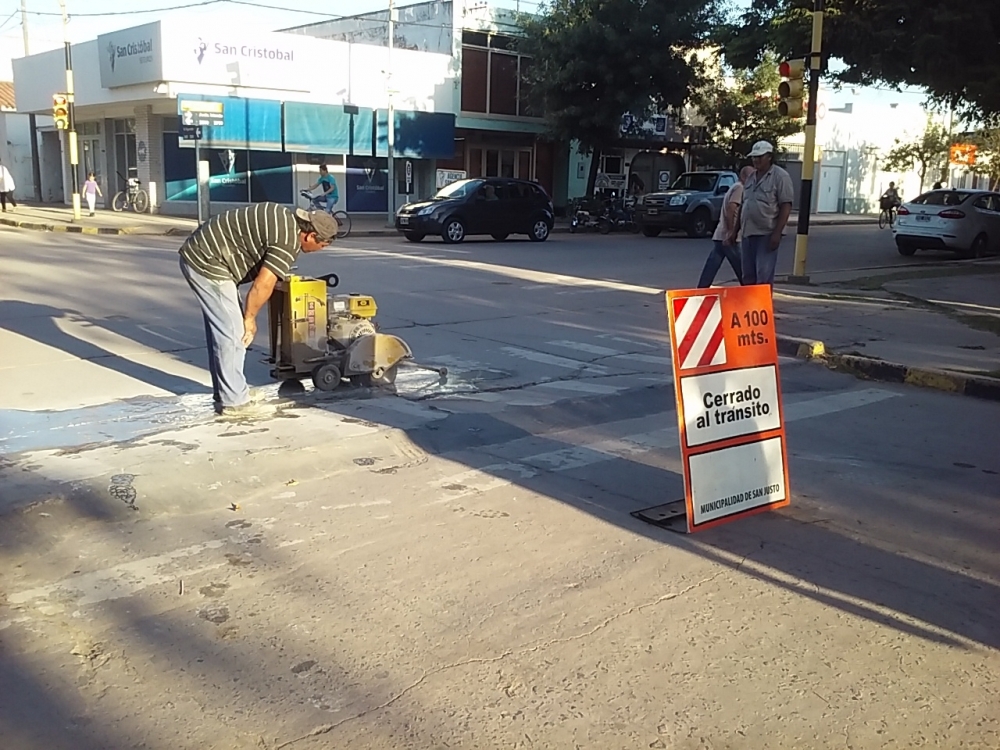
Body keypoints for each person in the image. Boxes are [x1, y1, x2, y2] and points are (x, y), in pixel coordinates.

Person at [178, 203, 339, 418]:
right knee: (235, 333)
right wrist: (250, 319)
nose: (320, 251)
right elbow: (263, 285)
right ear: (310, 236)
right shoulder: (287, 241)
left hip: (207, 255)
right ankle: (235, 403)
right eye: (323, 246)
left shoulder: (287, 221)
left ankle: (227, 392)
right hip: (207, 262)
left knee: (223, 332)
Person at [741, 140, 794, 286]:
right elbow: (744, 203)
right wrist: (734, 231)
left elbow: (786, 205)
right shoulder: (751, 177)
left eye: (760, 157)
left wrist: (777, 233)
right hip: (748, 233)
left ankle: (762, 308)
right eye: (754, 157)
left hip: (766, 233)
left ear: (769, 157)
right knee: (748, 276)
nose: (756, 160)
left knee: (763, 275)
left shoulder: (780, 177)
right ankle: (750, 308)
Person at [697, 166, 753, 288]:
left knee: (712, 265)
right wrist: (730, 232)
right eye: (751, 176)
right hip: (729, 236)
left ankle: (701, 289)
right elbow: (731, 209)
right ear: (744, 177)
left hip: (720, 234)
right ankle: (750, 291)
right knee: (741, 267)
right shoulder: (740, 188)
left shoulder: (735, 187)